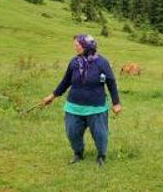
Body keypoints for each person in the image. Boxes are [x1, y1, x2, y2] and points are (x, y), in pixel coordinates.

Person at [42, 34, 122, 166]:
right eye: (75, 46)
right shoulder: (74, 62)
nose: (75, 48)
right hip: (73, 106)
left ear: (87, 46)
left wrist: (116, 103)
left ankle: (101, 155)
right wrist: (52, 96)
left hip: (96, 107)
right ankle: (78, 153)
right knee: (72, 133)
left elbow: (111, 82)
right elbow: (65, 82)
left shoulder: (102, 62)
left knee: (100, 135)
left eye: (78, 46)